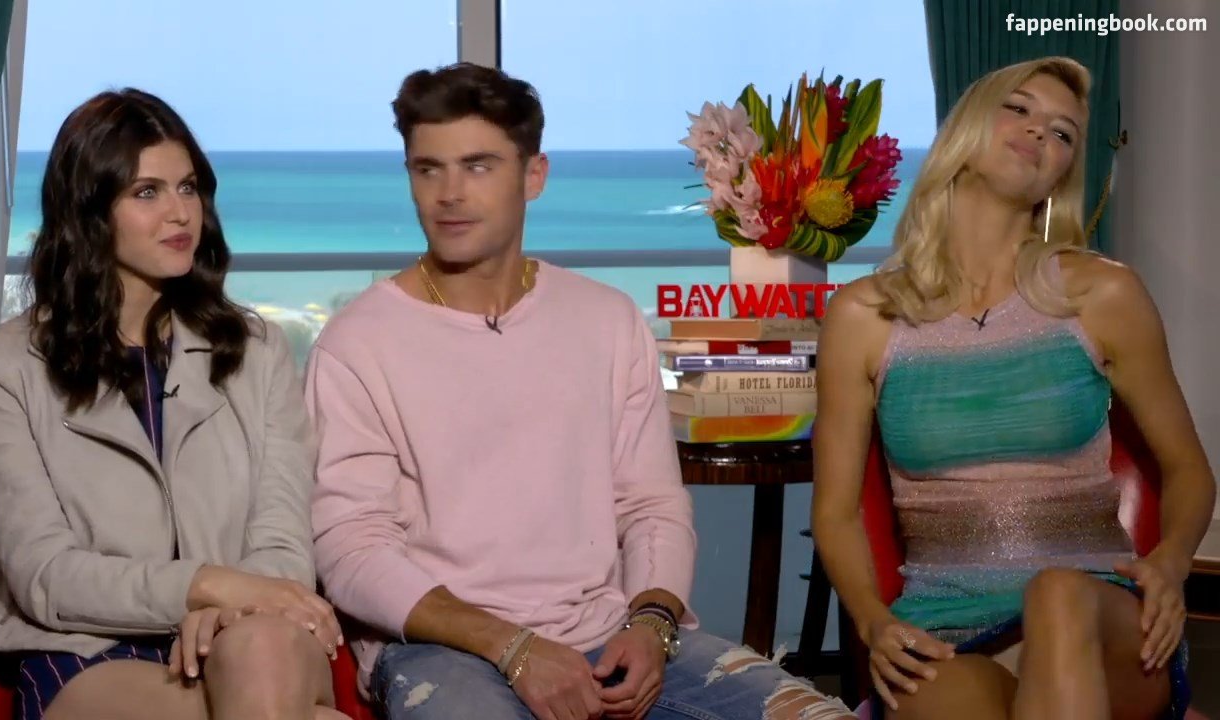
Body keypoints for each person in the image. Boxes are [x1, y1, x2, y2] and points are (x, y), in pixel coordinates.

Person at [305, 62, 856, 720]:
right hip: (442, 649)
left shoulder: (606, 319)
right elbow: (351, 549)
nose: (449, 193)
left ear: (533, 176)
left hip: (609, 633)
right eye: (429, 169)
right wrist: (512, 646)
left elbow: (651, 505)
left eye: (478, 166)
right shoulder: (357, 342)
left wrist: (652, 624)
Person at [811, 56, 1215, 720]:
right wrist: (873, 621)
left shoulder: (1103, 294)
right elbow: (836, 512)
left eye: (1062, 133)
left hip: (1101, 617)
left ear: (1062, 174)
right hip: (941, 625)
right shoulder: (863, 317)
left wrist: (1169, 566)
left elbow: (1189, 470)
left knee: (1057, 593)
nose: (1039, 133)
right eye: (1020, 109)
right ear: (965, 130)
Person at [0, 89, 349, 720]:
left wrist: (229, 610)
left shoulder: (257, 351)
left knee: (260, 649)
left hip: (250, 632)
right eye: (147, 192)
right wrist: (204, 586)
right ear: (89, 211)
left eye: (188, 187)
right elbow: (46, 575)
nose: (180, 212)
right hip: (89, 653)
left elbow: (283, 536)